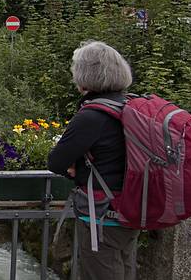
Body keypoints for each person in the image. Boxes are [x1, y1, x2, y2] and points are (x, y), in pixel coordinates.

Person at [48, 41, 138, 280]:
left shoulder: (91, 116)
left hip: (102, 215)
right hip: (133, 208)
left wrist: (74, 170)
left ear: (84, 77)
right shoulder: (131, 107)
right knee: (124, 269)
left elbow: (56, 162)